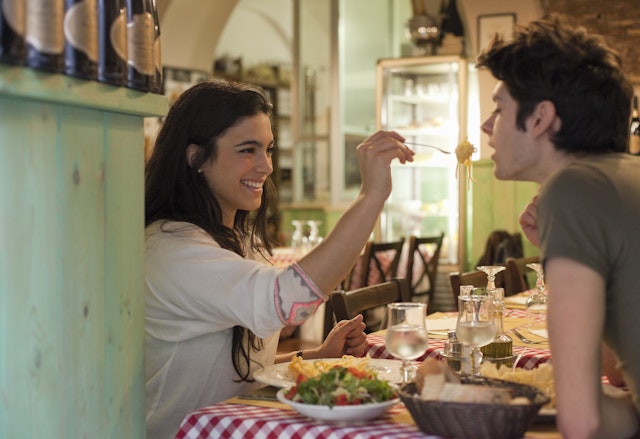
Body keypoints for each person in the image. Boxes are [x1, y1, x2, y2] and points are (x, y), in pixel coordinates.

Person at [143, 79, 414, 438]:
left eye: (268, 149)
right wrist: (371, 195)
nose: (266, 166)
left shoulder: (239, 239)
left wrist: (315, 357)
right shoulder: (172, 249)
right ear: (196, 157)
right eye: (247, 150)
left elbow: (240, 370)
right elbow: (289, 303)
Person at [478, 16, 640, 439]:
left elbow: (582, 423)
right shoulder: (623, 179)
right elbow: (620, 374)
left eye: (499, 107)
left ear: (540, 118)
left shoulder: (571, 189)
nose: (486, 126)